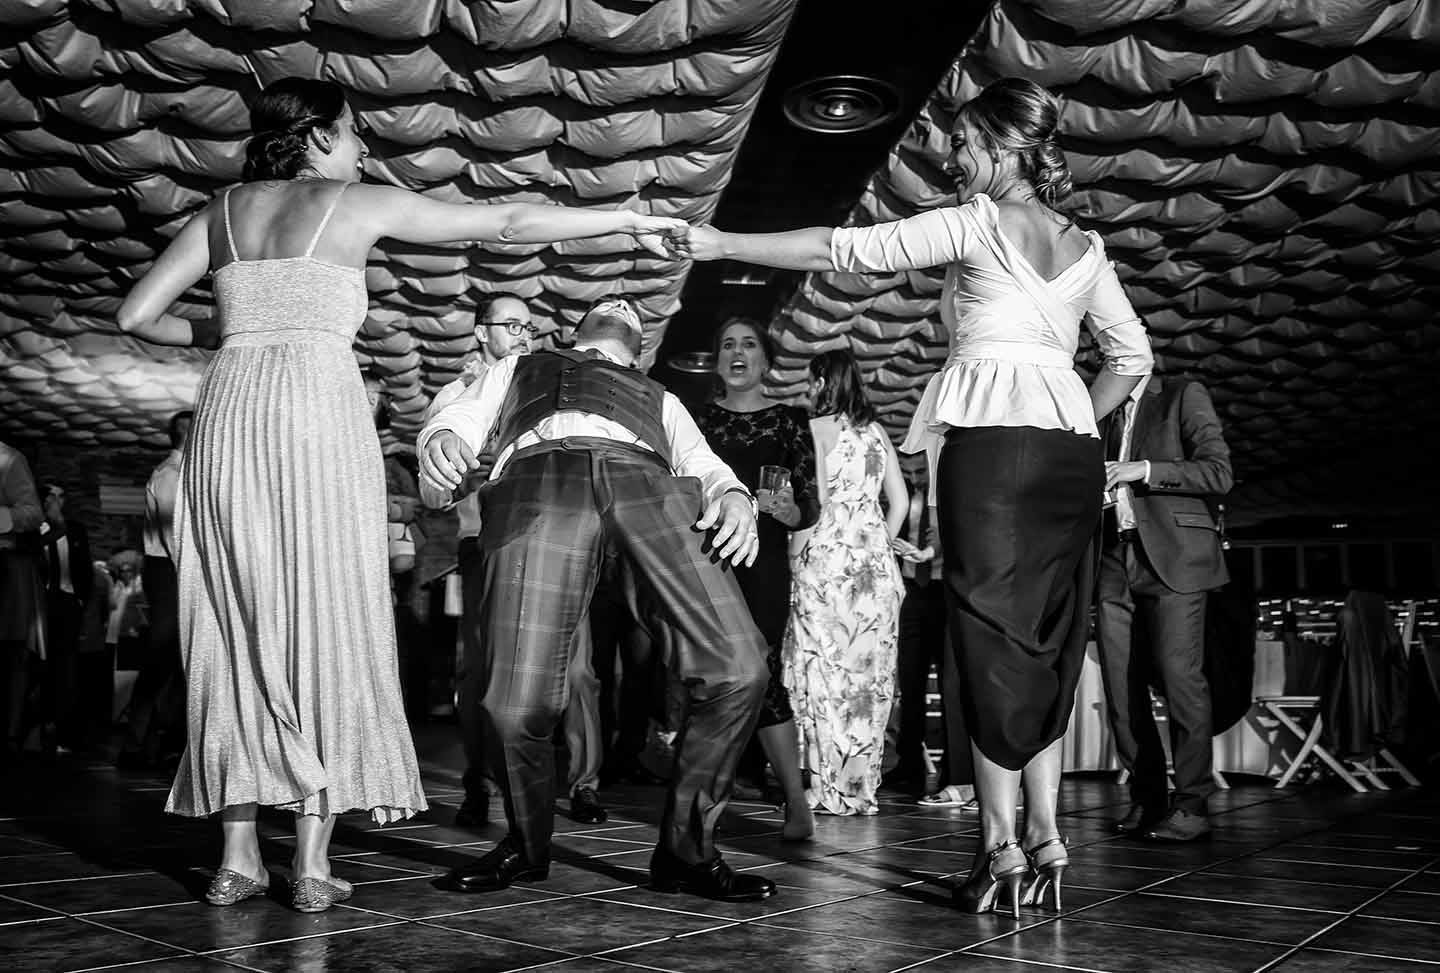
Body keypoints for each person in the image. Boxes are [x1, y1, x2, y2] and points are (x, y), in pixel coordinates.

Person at [115, 77, 687, 914]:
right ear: (314, 138)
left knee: (235, 616)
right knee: (331, 612)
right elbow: (509, 222)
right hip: (318, 412)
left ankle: (238, 853)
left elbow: (137, 316)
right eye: (351, 133)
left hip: (233, 417)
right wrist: (629, 220)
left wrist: (244, 325)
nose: (361, 148)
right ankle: (310, 863)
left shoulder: (222, 211)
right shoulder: (353, 202)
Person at [678, 77, 1153, 915]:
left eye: (966, 143)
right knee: (1044, 640)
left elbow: (843, 249)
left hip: (996, 455)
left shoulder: (976, 221)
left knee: (987, 641)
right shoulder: (1085, 245)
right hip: (1070, 456)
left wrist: (721, 246)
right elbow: (1131, 356)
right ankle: (1044, 831)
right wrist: (1073, 409)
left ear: (1005, 149)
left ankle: (1000, 845)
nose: (950, 155)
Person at [417, 298, 776, 904]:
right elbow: (461, 419)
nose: (619, 301)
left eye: (631, 306)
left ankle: (687, 854)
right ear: (573, 326)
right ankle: (525, 847)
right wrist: (443, 435)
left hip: (649, 485)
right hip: (539, 481)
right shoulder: (517, 367)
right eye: (605, 302)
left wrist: (735, 495)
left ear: (644, 346)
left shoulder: (661, 396)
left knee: (740, 667)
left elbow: (704, 464)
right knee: (513, 701)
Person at [424, 293, 609, 828]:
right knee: (482, 671)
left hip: (557, 539)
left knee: (579, 671)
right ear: (482, 333)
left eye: (530, 326)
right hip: (484, 545)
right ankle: (480, 784)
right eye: (511, 325)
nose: (525, 335)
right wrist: (467, 473)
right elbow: (434, 497)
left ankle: (584, 784)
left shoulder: (552, 388)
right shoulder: (454, 396)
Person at [694, 317, 818, 841]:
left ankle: (796, 801)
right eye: (727, 344)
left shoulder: (790, 421)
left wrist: (788, 511)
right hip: (704, 562)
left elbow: (808, 507)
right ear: (718, 361)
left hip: (762, 566)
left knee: (762, 676)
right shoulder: (695, 421)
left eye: (748, 344)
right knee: (707, 681)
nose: (737, 352)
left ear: (766, 361)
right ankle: (705, 805)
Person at [1097, 375, 1232, 842]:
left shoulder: (1181, 395)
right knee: (1120, 688)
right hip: (1113, 557)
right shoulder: (1099, 408)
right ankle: (1147, 797)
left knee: (1180, 681)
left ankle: (1192, 804)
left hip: (1176, 556)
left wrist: (1145, 469)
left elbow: (1218, 472)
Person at [782, 350, 905, 816]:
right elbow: (900, 503)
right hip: (874, 572)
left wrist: (794, 558)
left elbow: (815, 504)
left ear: (819, 382)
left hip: (827, 569)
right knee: (867, 682)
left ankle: (823, 787)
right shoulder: (875, 434)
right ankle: (859, 789)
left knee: (822, 674)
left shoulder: (817, 431)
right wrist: (878, 546)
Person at [888, 480, 976, 809]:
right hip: (912, 587)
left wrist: (932, 551)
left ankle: (957, 773)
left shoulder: (952, 487)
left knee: (952, 682)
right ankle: (908, 762)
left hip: (946, 588)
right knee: (910, 678)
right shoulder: (903, 493)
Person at [119, 411, 192, 770]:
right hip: (170, 570)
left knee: (178, 659)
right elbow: (173, 534)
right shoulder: (170, 475)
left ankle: (166, 742)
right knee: (163, 656)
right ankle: (137, 742)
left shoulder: (184, 474)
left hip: (174, 570)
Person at [39, 485, 93, 753]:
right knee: (40, 664)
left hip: (69, 603)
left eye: (61, 497)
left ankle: (65, 731)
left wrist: (81, 599)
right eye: (52, 497)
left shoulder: (76, 530)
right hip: (41, 602)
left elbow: (85, 567)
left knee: (67, 667)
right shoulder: (34, 531)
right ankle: (40, 725)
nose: (57, 502)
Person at [0, 441, 45, 762]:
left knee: (12, 653)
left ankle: (11, 733)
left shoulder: (8, 459)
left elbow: (32, 513)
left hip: (4, 566)